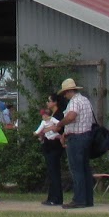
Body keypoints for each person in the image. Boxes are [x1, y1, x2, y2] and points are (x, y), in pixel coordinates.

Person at [59, 78, 95, 209]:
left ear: (69, 91)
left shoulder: (74, 102)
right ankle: (88, 199)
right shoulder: (85, 100)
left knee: (76, 169)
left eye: (65, 93)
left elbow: (71, 116)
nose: (65, 96)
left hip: (76, 138)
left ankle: (79, 199)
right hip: (86, 136)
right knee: (85, 169)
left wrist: (60, 124)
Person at [38, 98, 66, 207]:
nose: (47, 103)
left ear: (55, 102)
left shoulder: (58, 115)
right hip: (48, 144)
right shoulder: (50, 114)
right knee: (51, 171)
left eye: (49, 100)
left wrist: (48, 129)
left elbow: (58, 127)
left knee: (54, 171)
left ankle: (57, 198)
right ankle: (51, 197)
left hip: (55, 145)